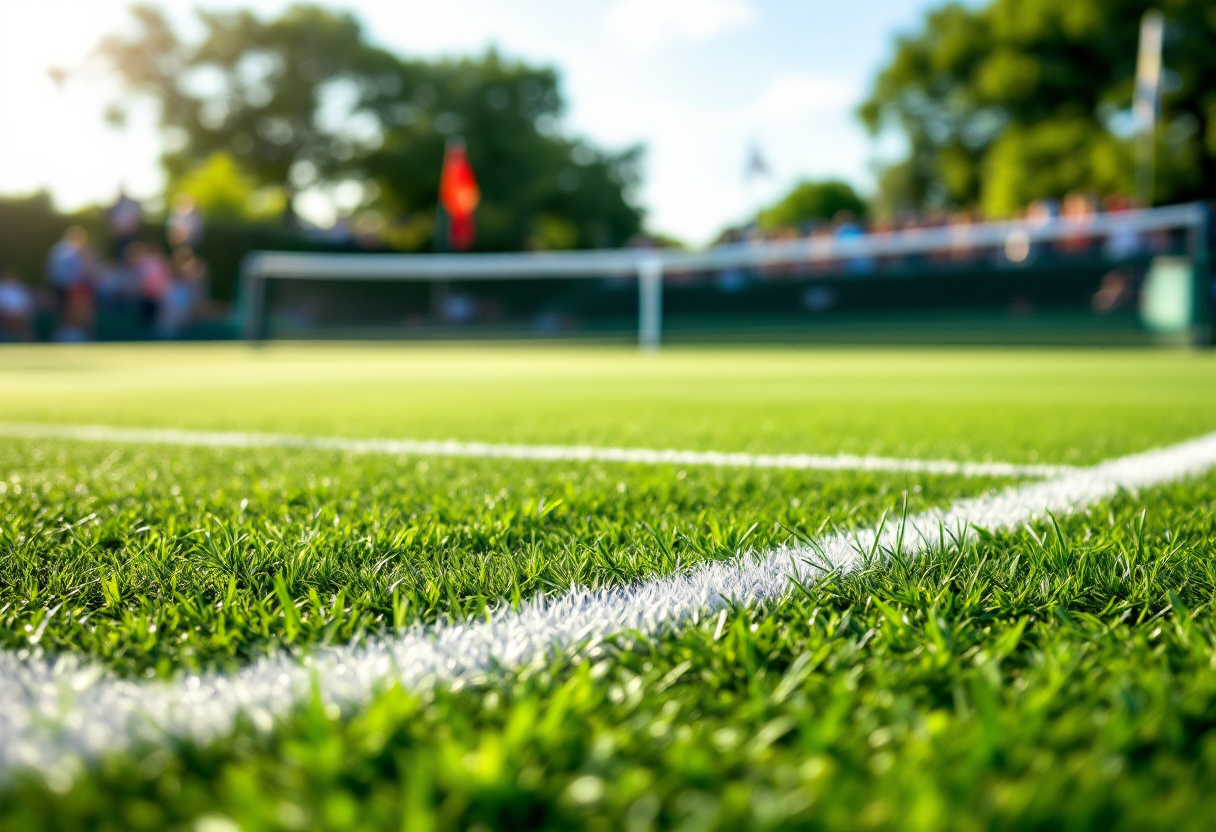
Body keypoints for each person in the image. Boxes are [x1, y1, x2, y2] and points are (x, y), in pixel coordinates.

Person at [46, 226, 95, 341]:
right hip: (65, 286)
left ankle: (78, 334)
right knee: (66, 312)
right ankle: (63, 336)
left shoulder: (63, 250)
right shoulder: (65, 251)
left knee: (74, 311)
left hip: (72, 287)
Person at [107, 188, 143, 261]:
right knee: (120, 254)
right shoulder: (116, 206)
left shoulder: (130, 204)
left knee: (132, 253)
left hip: (130, 233)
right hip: (120, 234)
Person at [0, 269, 35, 341]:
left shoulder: (21, 289)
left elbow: (27, 304)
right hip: (4, 315)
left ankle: (25, 339)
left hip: (20, 315)